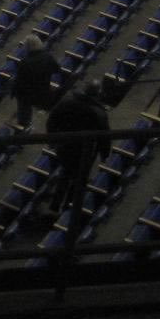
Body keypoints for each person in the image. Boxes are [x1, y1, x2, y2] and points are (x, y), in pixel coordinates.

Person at [44, 81, 111, 228]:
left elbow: (52, 119)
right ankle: (68, 207)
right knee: (79, 178)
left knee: (65, 174)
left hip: (64, 144)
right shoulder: (98, 111)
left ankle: (55, 205)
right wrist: (104, 154)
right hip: (84, 151)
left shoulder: (68, 101)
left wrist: (52, 138)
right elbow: (104, 136)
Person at [11, 35, 60, 128]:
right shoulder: (48, 56)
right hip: (43, 90)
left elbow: (19, 81)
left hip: (29, 94)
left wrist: (13, 92)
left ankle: (23, 122)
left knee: (21, 96)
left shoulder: (25, 62)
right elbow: (57, 69)